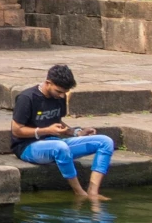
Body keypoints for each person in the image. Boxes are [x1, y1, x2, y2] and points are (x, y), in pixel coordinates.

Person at [12, 63, 114, 201]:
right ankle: (79, 193)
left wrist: (76, 132)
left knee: (105, 142)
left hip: (53, 142)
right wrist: (46, 130)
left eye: (64, 93)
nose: (61, 96)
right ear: (48, 83)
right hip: (27, 147)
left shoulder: (59, 97)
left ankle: (93, 192)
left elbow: (56, 121)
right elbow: (17, 130)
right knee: (61, 148)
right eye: (58, 91)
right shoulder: (27, 98)